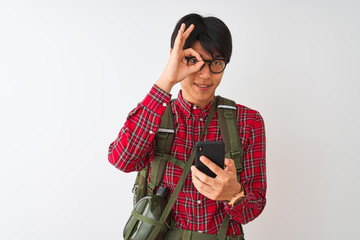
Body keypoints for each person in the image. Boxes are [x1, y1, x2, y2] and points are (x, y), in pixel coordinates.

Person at [108, 13, 266, 239]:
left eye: (216, 63)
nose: (205, 74)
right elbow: (122, 159)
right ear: (176, 58)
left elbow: (253, 207)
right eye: (194, 61)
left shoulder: (248, 121)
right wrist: (167, 81)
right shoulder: (156, 115)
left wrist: (233, 194)